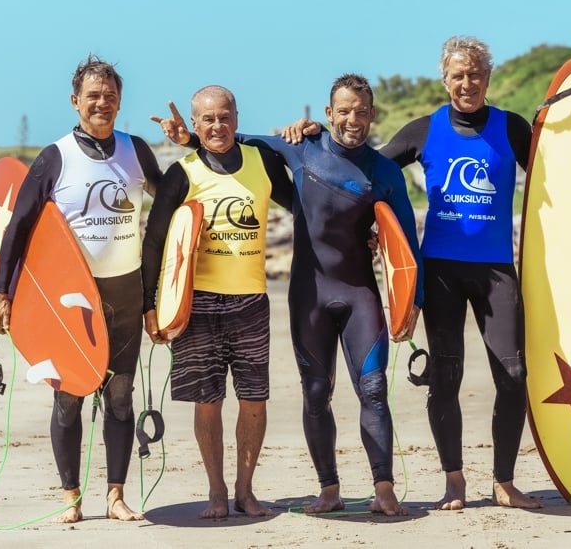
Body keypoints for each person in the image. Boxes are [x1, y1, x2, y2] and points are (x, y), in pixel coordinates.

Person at [282, 36, 571, 510]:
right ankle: (454, 481)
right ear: (445, 80)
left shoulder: (513, 129)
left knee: (513, 375)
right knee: (446, 377)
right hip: (441, 274)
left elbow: (570, 173)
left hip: (497, 270)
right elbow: (361, 174)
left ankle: (504, 480)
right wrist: (315, 140)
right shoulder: (424, 130)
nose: (467, 83)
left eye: (475, 74)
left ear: (488, 78)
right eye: (458, 75)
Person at [157, 73, 423, 516]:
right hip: (309, 295)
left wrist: (413, 300)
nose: (352, 119)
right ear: (327, 114)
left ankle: (384, 487)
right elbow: (230, 142)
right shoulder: (299, 148)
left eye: (360, 110)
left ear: (372, 114)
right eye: (343, 110)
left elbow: (407, 244)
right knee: (316, 393)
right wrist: (189, 139)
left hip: (360, 293)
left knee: (373, 389)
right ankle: (329, 489)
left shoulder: (385, 171)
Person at [0, 54, 162, 523]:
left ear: (119, 100)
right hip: (70, 300)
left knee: (121, 395)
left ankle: (115, 494)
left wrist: (165, 290)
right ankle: (71, 494)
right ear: (75, 102)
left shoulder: (136, 150)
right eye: (93, 96)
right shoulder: (55, 156)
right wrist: (3, 291)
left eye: (110, 95)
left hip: (126, 292)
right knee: (68, 397)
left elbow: (170, 206)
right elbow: (19, 226)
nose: (102, 103)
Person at [142, 85, 293, 518]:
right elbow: (154, 243)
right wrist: (149, 306)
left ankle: (245, 491)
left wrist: (362, 232)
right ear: (194, 124)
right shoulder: (182, 174)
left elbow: (307, 206)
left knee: (253, 399)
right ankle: (215, 490)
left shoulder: (261, 164)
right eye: (207, 120)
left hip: (251, 302)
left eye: (224, 117)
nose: (217, 126)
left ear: (237, 117)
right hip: (197, 303)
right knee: (207, 400)